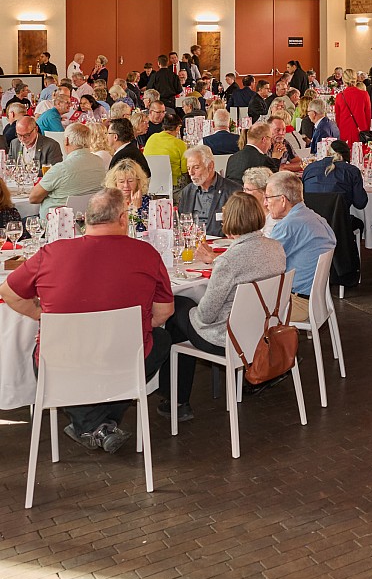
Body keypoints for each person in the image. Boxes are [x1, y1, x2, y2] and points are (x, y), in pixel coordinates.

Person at [0, 188, 173, 453]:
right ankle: (102, 425)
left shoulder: (51, 253)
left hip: (60, 365)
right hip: (124, 362)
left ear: (86, 219)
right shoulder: (147, 254)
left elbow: (8, 291)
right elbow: (164, 312)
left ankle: (91, 425)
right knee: (160, 339)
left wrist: (39, 313)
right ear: (123, 218)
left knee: (49, 355)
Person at [159, 192, 287, 421]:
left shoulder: (229, 261)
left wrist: (193, 309)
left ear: (229, 222)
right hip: (264, 331)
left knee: (176, 307)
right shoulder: (275, 247)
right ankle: (176, 400)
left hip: (230, 339)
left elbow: (207, 317)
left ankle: (176, 400)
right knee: (183, 311)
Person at [266, 171, 337, 321]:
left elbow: (263, 263)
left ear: (283, 200)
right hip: (319, 299)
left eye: (268, 197)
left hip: (298, 303)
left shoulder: (289, 226)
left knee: (238, 306)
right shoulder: (317, 218)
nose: (266, 203)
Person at [29, 123, 105, 217]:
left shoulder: (61, 169)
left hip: (55, 223)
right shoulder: (99, 162)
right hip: (88, 218)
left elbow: (33, 198)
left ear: (66, 141)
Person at [178, 144, 242, 237]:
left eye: (196, 167)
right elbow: (181, 224)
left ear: (210, 166)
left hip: (222, 245)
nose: (191, 173)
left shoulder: (233, 191)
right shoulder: (187, 192)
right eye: (188, 168)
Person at [302, 139, 368, 213]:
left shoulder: (309, 169)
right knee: (359, 223)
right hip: (339, 222)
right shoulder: (352, 171)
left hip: (311, 221)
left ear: (328, 152)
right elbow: (360, 203)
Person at [143, 113, 187, 188]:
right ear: (177, 128)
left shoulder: (152, 138)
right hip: (173, 184)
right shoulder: (180, 144)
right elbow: (185, 170)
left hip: (151, 182)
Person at [106, 158, 151, 228]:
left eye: (130, 181)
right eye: (121, 181)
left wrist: (136, 208)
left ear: (138, 182)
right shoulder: (111, 203)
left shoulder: (146, 201)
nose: (126, 185)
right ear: (115, 183)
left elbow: (143, 228)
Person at [334, 69, 372, 146]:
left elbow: (337, 117)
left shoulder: (340, 96)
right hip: (361, 129)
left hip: (344, 129)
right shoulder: (364, 94)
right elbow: (368, 115)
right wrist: (366, 130)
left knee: (346, 153)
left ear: (344, 80)